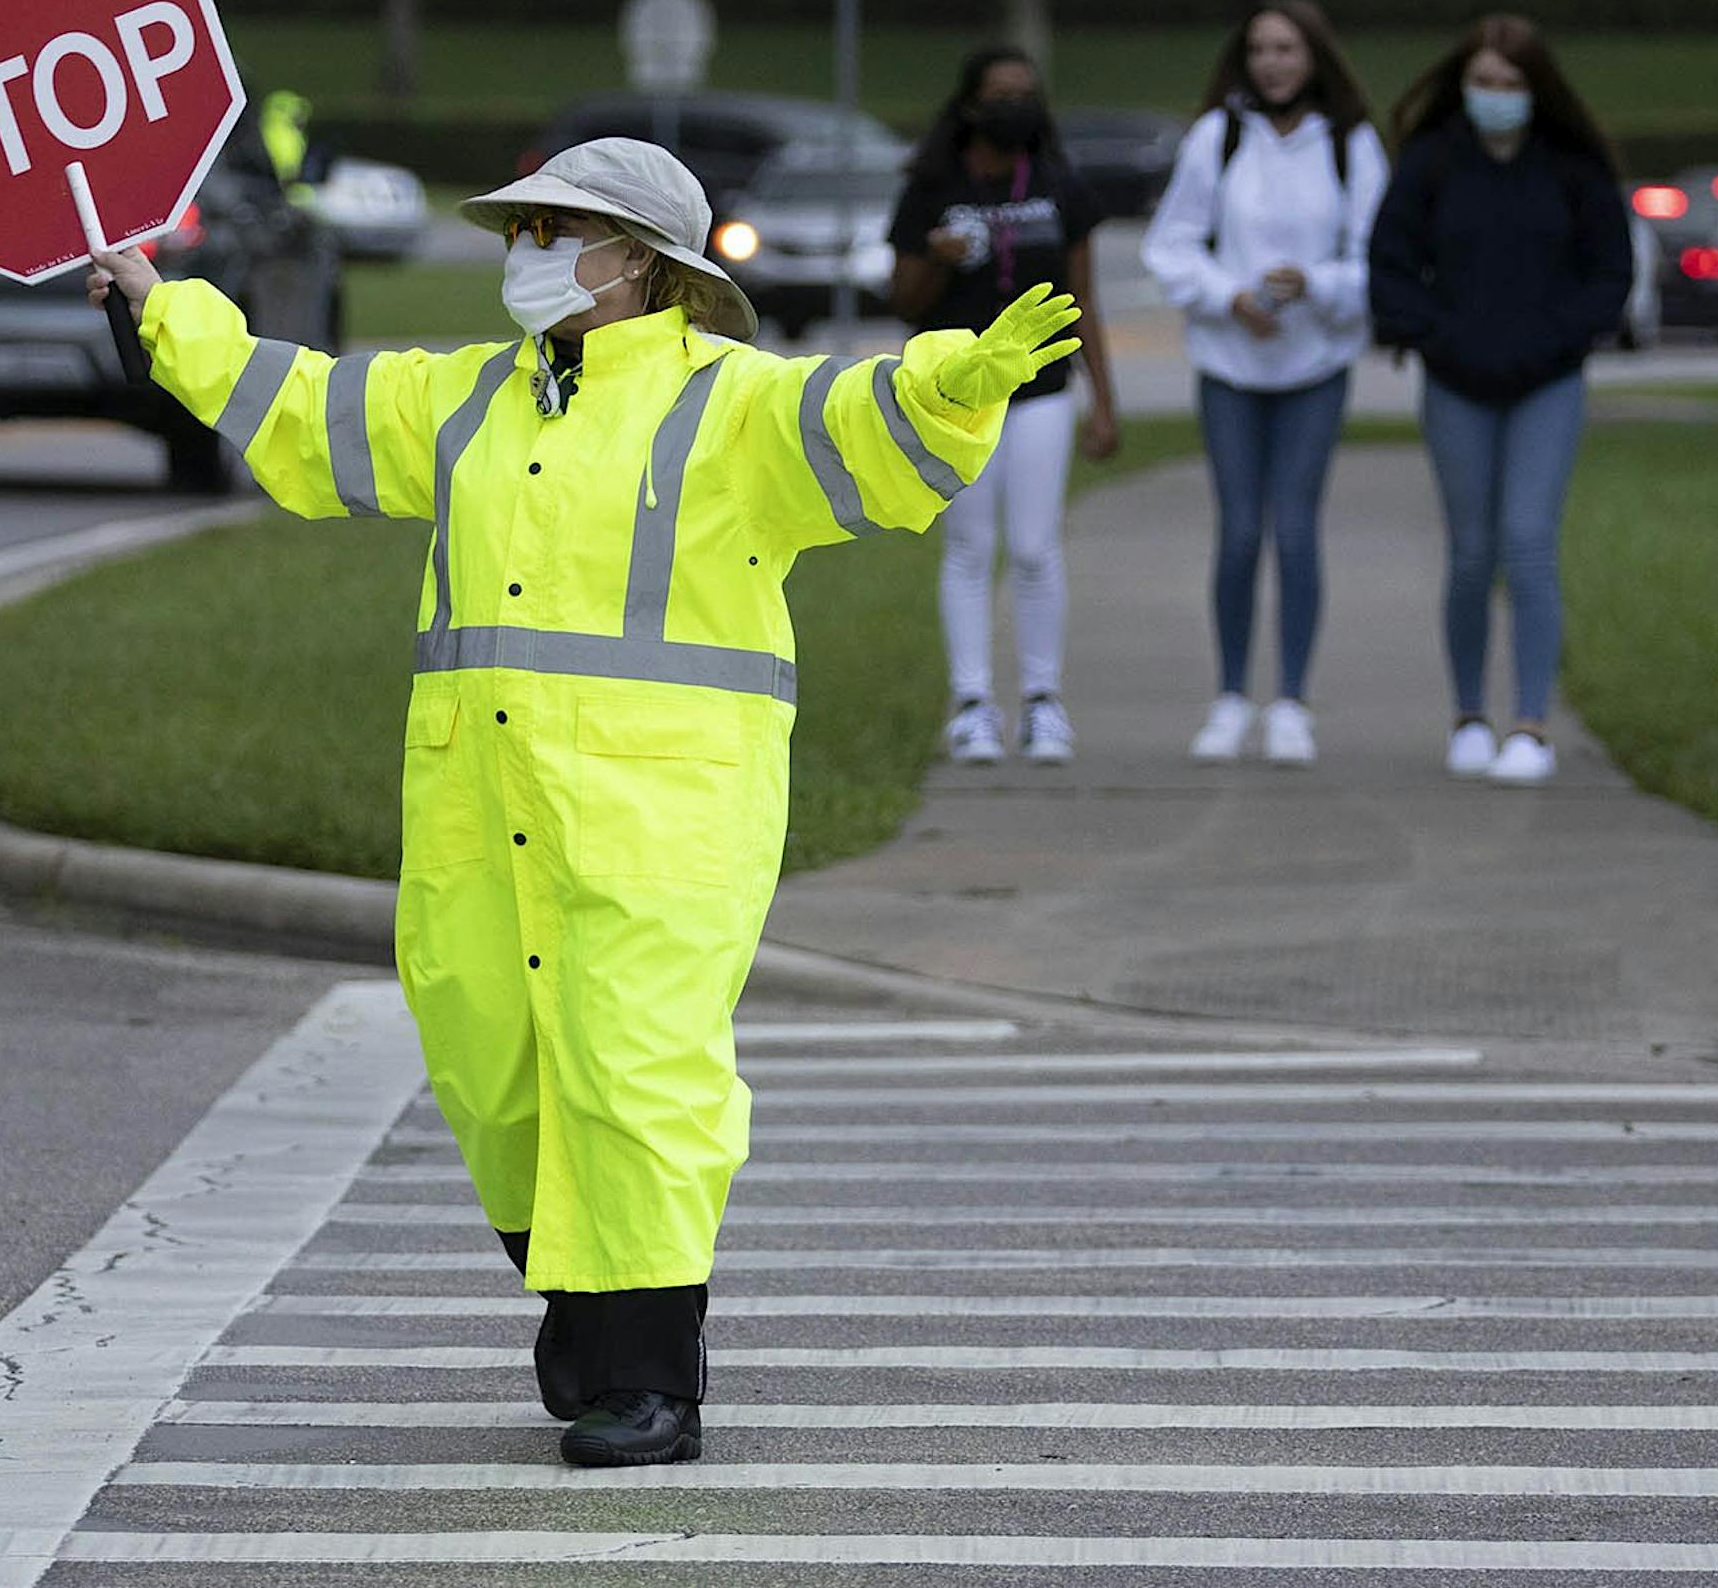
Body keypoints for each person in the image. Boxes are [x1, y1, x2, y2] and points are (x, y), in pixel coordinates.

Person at [85, 138, 1079, 1467]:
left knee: (633, 1079)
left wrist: (950, 385)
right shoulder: (467, 398)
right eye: (521, 229)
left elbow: (854, 432)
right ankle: (590, 1312)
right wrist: (162, 310)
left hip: (663, 819)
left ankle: (649, 1377)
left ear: (643, 263)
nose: (528, 253)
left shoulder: (730, 402)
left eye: (558, 229)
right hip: (475, 807)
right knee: (494, 1073)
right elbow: (302, 412)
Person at [1369, 13, 1632, 785]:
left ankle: (1530, 723)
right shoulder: (1432, 163)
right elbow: (1389, 263)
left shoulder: (1573, 168)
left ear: (1537, 91)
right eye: (1483, 83)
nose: (1496, 97)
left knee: (1527, 542)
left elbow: (1608, 274)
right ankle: (1468, 716)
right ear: (1462, 86)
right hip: (1456, 381)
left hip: (1546, 381)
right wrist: (1431, 336)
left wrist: (1559, 341)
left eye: (1512, 85)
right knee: (1470, 551)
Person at [1142, 0, 1388, 765]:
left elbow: (1377, 260)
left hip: (1314, 364)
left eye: (1286, 50)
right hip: (1230, 364)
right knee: (1241, 531)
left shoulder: (1351, 145)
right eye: (1260, 51)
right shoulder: (1218, 139)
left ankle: (1291, 702)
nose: (1273, 64)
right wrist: (1230, 297)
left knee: (1296, 529)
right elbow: (1171, 246)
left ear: (1314, 56)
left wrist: (1313, 283)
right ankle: (1229, 698)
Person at [887, 47, 1119, 767]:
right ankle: (972, 704)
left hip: (1043, 392)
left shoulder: (1059, 186)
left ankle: (1044, 703)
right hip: (955, 394)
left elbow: (1082, 302)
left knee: (1033, 547)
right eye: (1000, 94)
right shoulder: (931, 186)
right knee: (967, 546)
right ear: (969, 105)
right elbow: (901, 300)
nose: (1015, 104)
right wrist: (938, 258)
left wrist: (1103, 401)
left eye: (1027, 92)